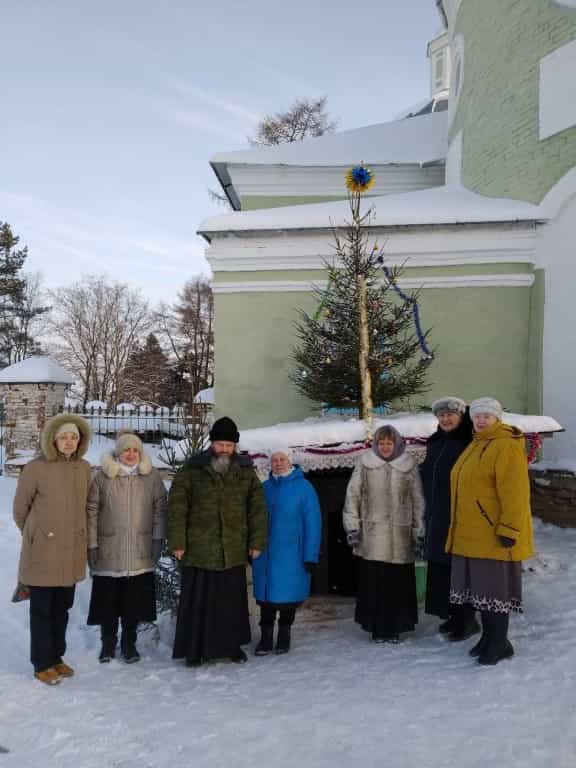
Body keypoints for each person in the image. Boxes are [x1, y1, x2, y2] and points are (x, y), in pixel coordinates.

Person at [168, 416, 267, 667]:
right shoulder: (192, 469)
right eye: (220, 444)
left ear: (235, 446)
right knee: (198, 603)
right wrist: (178, 541)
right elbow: (177, 507)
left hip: (232, 548)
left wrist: (256, 541)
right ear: (212, 443)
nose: (224, 450)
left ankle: (232, 647)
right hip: (200, 549)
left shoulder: (245, 471)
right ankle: (194, 650)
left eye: (229, 445)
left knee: (230, 604)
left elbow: (257, 508)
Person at [446, 397, 535, 666]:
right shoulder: (476, 444)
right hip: (471, 534)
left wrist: (509, 527)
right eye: (478, 415)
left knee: (494, 591)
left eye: (488, 415)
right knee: (481, 591)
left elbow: (515, 492)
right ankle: (489, 638)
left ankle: (499, 642)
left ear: (498, 418)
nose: (482, 419)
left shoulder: (505, 446)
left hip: (493, 535)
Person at [13, 413, 92, 685]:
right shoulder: (36, 468)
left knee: (63, 608)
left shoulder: (84, 468)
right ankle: (41, 663)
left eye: (73, 437)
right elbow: (20, 509)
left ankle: (57, 658)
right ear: (53, 440)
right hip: (43, 551)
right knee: (42, 610)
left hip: (71, 551)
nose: (69, 442)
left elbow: (87, 506)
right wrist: (34, 534)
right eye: (63, 437)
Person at [86, 431, 167, 663]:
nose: (131, 454)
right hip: (109, 548)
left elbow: (160, 509)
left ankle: (129, 644)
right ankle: (108, 644)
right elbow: (91, 511)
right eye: (126, 450)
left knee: (133, 601)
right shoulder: (102, 477)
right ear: (118, 452)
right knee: (108, 600)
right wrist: (91, 544)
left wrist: (157, 540)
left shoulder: (151, 477)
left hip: (139, 549)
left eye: (135, 450)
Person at [343, 425, 425, 643]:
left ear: (396, 444)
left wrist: (419, 531)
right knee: (375, 584)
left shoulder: (408, 465)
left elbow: (418, 500)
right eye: (382, 443)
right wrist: (353, 526)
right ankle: (377, 628)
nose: (386, 447)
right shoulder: (365, 463)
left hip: (401, 536)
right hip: (373, 536)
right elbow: (353, 495)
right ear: (376, 445)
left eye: (389, 443)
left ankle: (397, 626)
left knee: (397, 584)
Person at [252, 448, 322, 656]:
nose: (279, 463)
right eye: (275, 460)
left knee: (287, 599)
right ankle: (265, 638)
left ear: (290, 462)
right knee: (266, 600)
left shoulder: (305, 488)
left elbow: (313, 524)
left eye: (283, 459)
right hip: (265, 555)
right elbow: (253, 520)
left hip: (293, 554)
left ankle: (284, 635)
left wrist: (311, 555)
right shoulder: (263, 488)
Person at [420, 396, 478, 640]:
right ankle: (452, 615)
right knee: (442, 569)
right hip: (436, 514)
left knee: (460, 570)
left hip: (459, 515)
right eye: (441, 415)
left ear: (461, 416)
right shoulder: (434, 443)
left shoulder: (469, 443)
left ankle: (468, 620)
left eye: (450, 414)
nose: (445, 419)